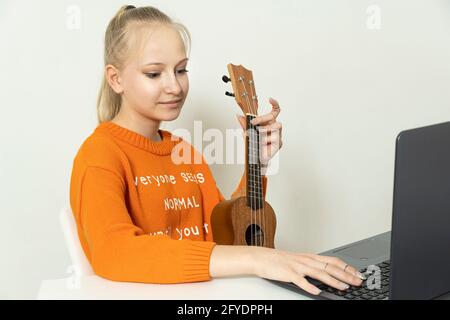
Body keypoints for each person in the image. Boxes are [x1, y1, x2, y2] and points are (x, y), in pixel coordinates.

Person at [69, 5, 364, 296]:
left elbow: (223, 226)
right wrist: (260, 259)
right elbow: (116, 253)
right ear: (115, 78)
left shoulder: (182, 150)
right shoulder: (99, 155)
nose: (175, 86)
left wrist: (258, 166)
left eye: (181, 70)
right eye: (154, 74)